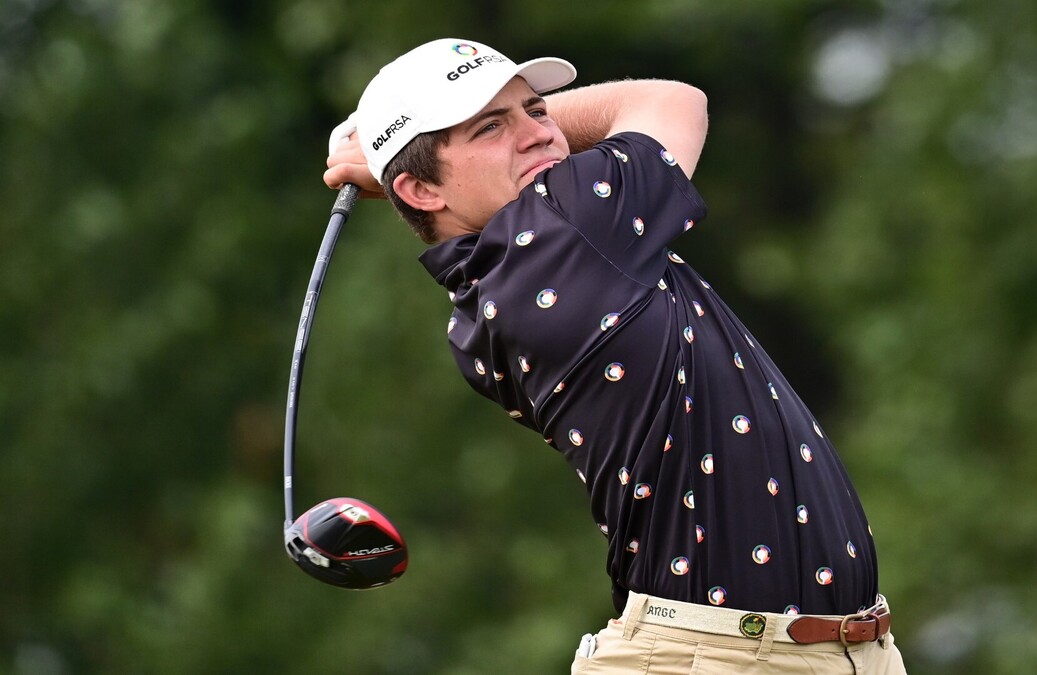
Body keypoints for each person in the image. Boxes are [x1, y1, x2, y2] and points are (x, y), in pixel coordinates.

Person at [323, 37, 907, 674]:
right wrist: (388, 160)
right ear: (420, 191)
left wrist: (404, 161)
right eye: (490, 127)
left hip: (805, 653)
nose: (541, 133)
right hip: (719, 659)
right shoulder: (563, 231)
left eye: (536, 110)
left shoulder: (491, 294)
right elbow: (669, 101)